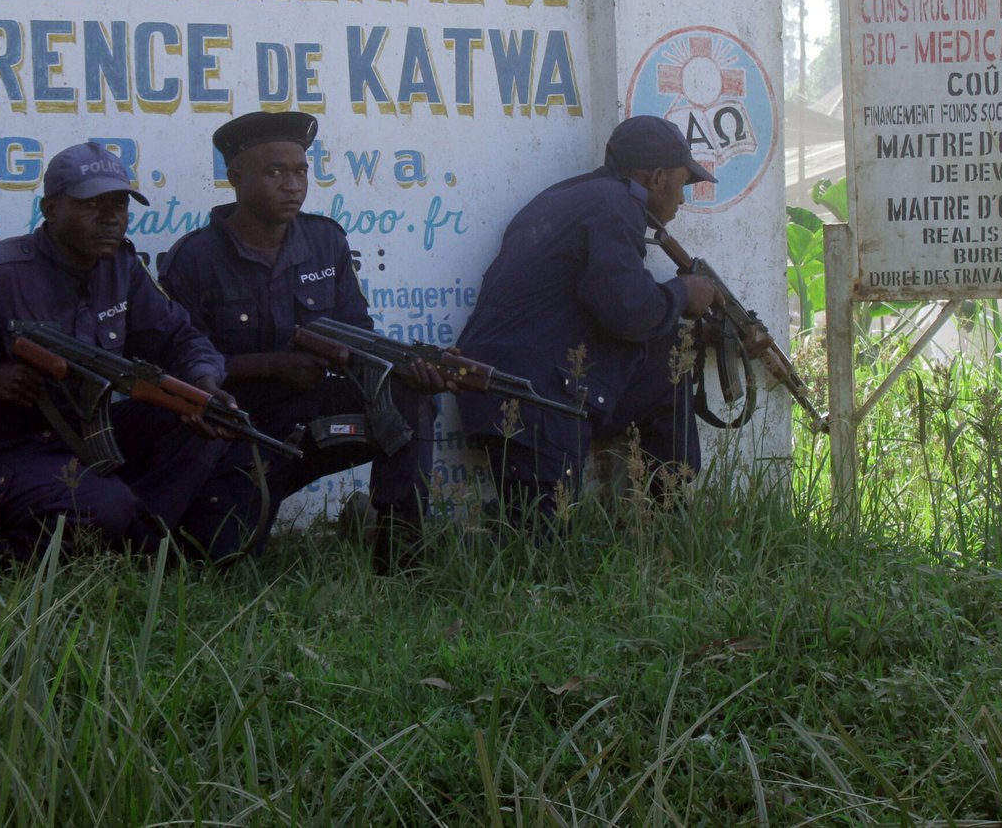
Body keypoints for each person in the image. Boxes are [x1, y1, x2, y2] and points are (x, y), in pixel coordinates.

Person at [0, 142, 261, 564]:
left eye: (119, 204)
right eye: (92, 204)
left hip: (84, 442)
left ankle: (135, 548)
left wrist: (204, 384)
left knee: (203, 422)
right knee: (102, 507)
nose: (110, 217)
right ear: (50, 209)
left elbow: (181, 337)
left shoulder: (121, 268)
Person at [158, 111, 443, 569]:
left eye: (300, 171)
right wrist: (272, 365)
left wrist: (410, 368)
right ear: (235, 176)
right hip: (238, 429)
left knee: (407, 396)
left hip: (314, 412)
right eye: (275, 172)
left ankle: (401, 555)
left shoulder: (325, 241)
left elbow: (359, 336)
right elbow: (178, 367)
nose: (292, 185)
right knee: (218, 561)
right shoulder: (194, 260)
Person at [455, 115, 721, 524]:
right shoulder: (616, 206)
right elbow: (630, 311)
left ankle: (668, 516)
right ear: (656, 177)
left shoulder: (574, 197)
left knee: (669, 354)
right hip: (528, 398)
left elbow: (616, 306)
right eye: (683, 183)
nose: (682, 200)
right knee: (541, 548)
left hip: (524, 385)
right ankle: (399, 534)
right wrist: (686, 292)